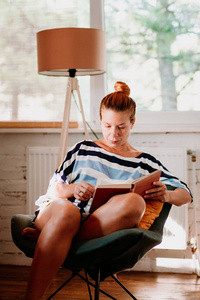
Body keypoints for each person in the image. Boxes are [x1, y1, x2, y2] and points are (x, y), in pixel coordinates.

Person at [22, 81, 192, 300]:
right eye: (107, 125)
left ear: (132, 123)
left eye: (121, 127)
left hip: (99, 227)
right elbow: (54, 189)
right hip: (60, 214)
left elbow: (186, 194)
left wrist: (166, 194)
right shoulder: (82, 149)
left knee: (135, 203)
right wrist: (74, 188)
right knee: (68, 212)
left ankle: (52, 238)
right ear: (101, 121)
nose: (113, 134)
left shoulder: (144, 163)